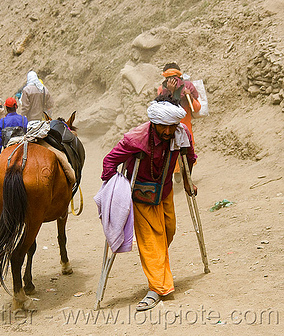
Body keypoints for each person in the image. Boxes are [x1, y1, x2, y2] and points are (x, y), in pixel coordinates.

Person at [101, 95, 197, 312]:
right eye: (163, 127)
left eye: (171, 126)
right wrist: (114, 189)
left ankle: (158, 271)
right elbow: (109, 161)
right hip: (141, 196)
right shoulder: (136, 138)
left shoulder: (180, 134)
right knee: (152, 239)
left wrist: (189, 180)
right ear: (154, 122)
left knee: (168, 231)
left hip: (165, 191)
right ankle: (158, 288)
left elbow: (189, 157)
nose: (167, 132)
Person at [157, 63, 201, 182]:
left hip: (186, 128)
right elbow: (163, 108)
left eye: (174, 78)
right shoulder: (162, 89)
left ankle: (187, 175)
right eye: (168, 78)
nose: (172, 81)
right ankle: (176, 171)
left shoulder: (188, 88)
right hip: (170, 128)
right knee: (173, 151)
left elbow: (197, 108)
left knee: (187, 153)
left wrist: (190, 97)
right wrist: (170, 92)